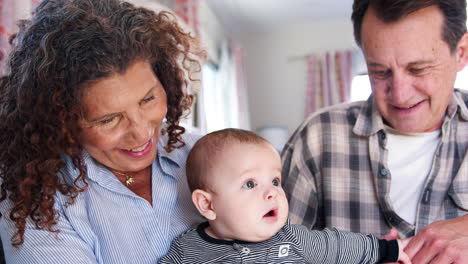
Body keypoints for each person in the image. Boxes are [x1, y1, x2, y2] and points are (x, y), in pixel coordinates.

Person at [0, 0, 205, 263]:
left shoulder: (208, 154)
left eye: (148, 99)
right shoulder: (36, 197)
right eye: (108, 120)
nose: (142, 133)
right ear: (61, 121)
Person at [282, 0, 468, 263]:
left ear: (461, 52)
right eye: (379, 72)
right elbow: (270, 252)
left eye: (418, 69)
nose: (400, 95)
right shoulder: (317, 139)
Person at [160, 128, 411, 264]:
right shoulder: (187, 252)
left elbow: (339, 246)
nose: (271, 193)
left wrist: (387, 249)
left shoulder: (292, 238)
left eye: (275, 181)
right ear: (207, 204)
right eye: (250, 184)